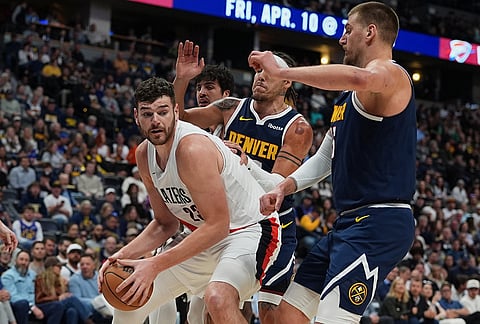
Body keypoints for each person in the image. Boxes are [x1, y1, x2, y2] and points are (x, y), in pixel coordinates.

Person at [250, 2, 417, 323]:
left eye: (347, 30)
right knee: (286, 317)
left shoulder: (391, 75)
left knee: (333, 318)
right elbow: (326, 156)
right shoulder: (344, 99)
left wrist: (282, 72)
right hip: (348, 223)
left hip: (380, 221)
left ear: (370, 33)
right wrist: (286, 186)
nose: (341, 39)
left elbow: (360, 78)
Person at [97, 77, 281, 324]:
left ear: (175, 111)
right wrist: (118, 256)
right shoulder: (144, 154)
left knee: (217, 298)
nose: (155, 121)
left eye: (162, 112)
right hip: (204, 236)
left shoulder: (192, 149)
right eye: (147, 114)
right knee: (128, 301)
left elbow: (218, 224)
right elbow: (165, 224)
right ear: (136, 116)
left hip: (250, 232)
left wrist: (153, 264)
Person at [173, 39, 313, 324]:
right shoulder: (230, 108)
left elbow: (277, 186)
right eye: (257, 72)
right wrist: (181, 80)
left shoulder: (297, 127)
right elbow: (177, 119)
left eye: (268, 73)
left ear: (286, 83)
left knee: (271, 313)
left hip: (272, 225)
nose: (260, 77)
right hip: (231, 219)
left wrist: (244, 162)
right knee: (217, 305)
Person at [1, 250, 65, 324]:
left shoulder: (33, 275)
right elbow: (12, 296)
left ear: (29, 262)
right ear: (15, 260)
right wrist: (32, 307)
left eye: (26, 260)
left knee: (57, 306)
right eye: (21, 259)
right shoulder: (7, 275)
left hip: (34, 305)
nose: (23, 262)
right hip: (18, 306)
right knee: (22, 303)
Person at [35, 256, 94, 324]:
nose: (61, 268)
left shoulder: (60, 280)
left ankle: (88, 319)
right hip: (45, 306)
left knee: (72, 311)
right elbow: (39, 299)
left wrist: (65, 292)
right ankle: (89, 320)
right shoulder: (41, 279)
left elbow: (63, 295)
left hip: (57, 303)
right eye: (59, 266)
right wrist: (58, 298)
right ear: (52, 267)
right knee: (71, 299)